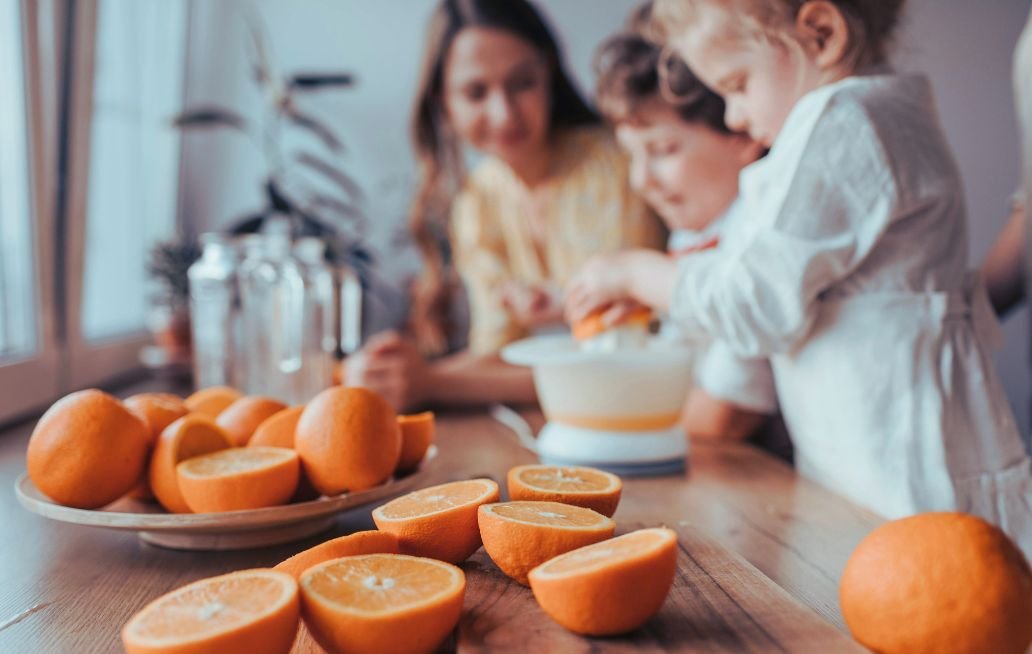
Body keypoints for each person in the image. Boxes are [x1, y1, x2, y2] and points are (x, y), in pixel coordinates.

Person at [566, 0, 1032, 551]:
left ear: (820, 34)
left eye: (738, 85)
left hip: (908, 475)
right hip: (889, 463)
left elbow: (754, 304)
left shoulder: (843, 120)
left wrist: (638, 274)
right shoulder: (879, 115)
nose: (735, 116)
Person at [344, 0, 663, 411]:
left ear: (549, 74)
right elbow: (498, 350)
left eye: (522, 83)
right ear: (444, 105)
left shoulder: (616, 167)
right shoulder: (477, 203)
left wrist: (432, 382)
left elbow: (614, 358)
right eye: (476, 92)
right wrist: (390, 373)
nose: (504, 113)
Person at [593, 23, 781, 445]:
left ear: (742, 133)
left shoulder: (755, 236)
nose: (641, 181)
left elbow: (725, 416)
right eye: (631, 155)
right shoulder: (693, 235)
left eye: (662, 151)